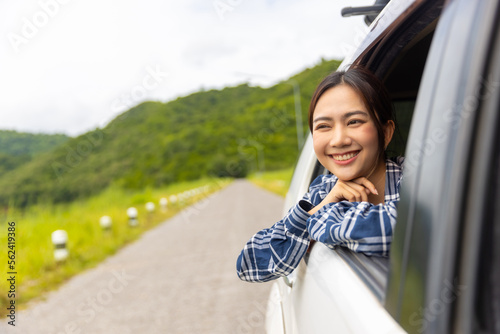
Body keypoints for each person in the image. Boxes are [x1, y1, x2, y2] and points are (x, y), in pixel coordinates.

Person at [236, 66, 404, 283]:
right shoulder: (323, 191)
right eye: (324, 126)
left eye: (354, 121)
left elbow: (408, 229)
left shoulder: (419, 180)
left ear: (385, 132)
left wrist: (318, 218)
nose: (338, 140)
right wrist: (322, 206)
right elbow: (249, 265)